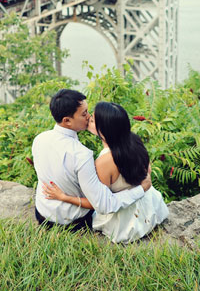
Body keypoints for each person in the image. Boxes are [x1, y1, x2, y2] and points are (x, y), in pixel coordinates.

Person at [42, 101, 168, 243]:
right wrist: (140, 187)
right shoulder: (133, 140)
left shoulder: (104, 162)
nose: (88, 118)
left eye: (93, 119)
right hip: (149, 205)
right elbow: (147, 171)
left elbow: (98, 204)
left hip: (125, 220)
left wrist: (63, 197)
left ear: (104, 130)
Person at [32, 89, 152, 232]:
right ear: (67, 121)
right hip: (72, 221)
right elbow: (104, 204)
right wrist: (142, 189)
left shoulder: (40, 139)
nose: (88, 117)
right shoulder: (82, 155)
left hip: (42, 212)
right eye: (84, 114)